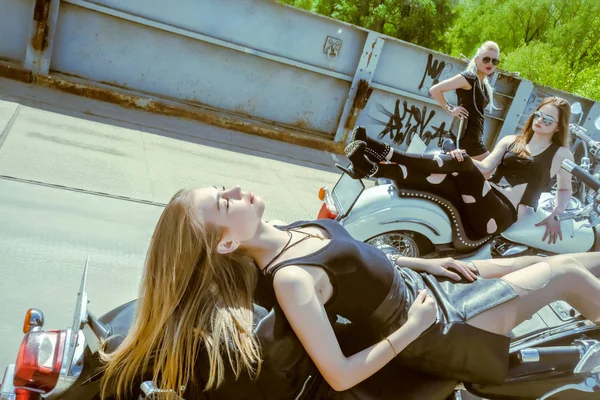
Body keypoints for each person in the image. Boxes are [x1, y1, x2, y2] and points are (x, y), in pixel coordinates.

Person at [99, 183, 600, 399]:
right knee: (567, 278)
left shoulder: (285, 228)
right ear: (228, 240)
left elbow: (354, 256)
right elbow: (338, 376)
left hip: (425, 284)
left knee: (558, 259)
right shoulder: (290, 279)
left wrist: (428, 260)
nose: (234, 192)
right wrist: (415, 329)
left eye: (222, 189)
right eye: (224, 205)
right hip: (436, 327)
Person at [346, 96, 574, 244]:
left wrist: (557, 214)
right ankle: (374, 169)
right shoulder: (511, 140)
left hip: (501, 214)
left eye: (548, 119)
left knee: (459, 165)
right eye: (539, 114)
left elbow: (564, 190)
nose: (540, 120)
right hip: (481, 195)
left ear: (558, 127)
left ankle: (384, 153)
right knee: (441, 176)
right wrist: (459, 157)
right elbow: (484, 168)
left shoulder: (561, 154)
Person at [429, 41, 500, 160]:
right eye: (486, 59)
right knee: (489, 167)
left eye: (494, 61)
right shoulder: (468, 78)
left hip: (473, 138)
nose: (490, 63)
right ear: (477, 60)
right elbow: (435, 90)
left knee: (481, 172)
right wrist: (450, 109)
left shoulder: (483, 84)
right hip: (465, 139)